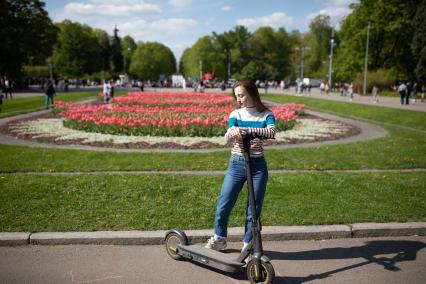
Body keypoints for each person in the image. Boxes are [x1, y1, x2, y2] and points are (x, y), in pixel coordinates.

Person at [205, 80, 276, 253]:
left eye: (242, 95)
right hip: (237, 164)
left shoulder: (266, 115)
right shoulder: (236, 114)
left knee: (254, 208)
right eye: (236, 96)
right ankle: (220, 238)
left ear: (252, 94)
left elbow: (271, 132)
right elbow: (227, 136)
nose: (239, 99)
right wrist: (232, 132)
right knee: (225, 201)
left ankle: (248, 244)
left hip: (257, 167)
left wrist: (248, 132)